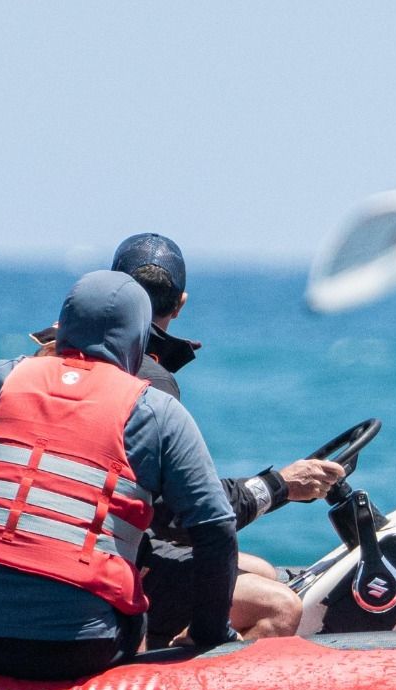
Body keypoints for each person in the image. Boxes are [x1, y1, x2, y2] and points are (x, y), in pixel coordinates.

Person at [0, 271, 237, 681]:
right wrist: (209, 635)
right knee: (141, 612)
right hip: (75, 648)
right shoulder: (157, 411)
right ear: (139, 339)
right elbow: (216, 531)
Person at [102, 233, 344, 645]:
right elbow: (186, 516)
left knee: (261, 571)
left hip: (89, 542)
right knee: (279, 605)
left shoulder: (46, 362)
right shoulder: (148, 382)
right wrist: (280, 486)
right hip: (107, 561)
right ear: (180, 305)